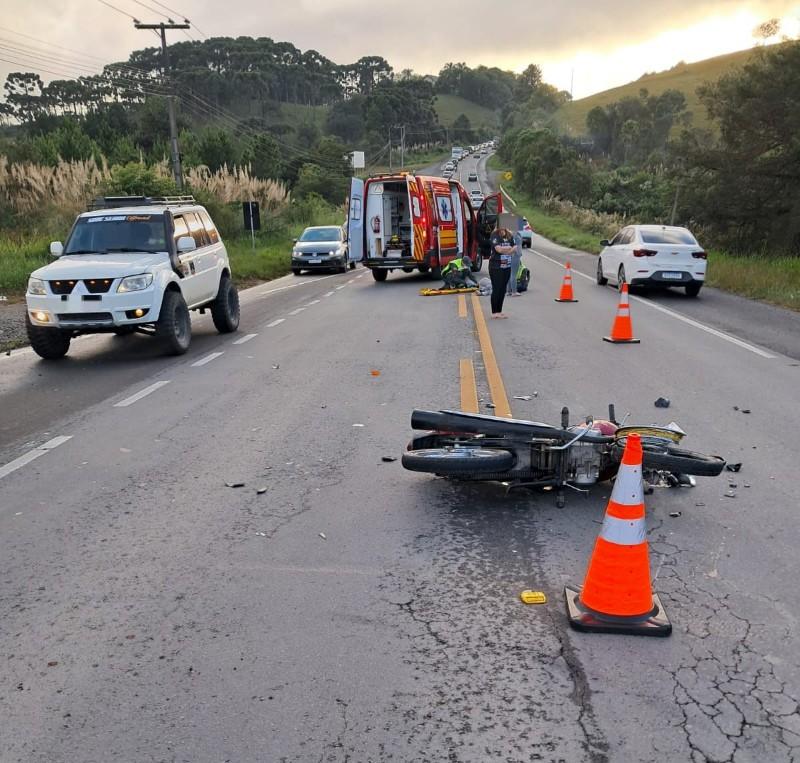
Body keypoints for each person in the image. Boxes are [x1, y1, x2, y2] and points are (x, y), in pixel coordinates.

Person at [488, 227, 515, 318]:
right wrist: (508, 248)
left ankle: (499, 311)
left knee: (503, 289)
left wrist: (507, 250)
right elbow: (498, 249)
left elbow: (515, 247)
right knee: (497, 288)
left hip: (507, 266)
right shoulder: (495, 235)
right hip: (496, 266)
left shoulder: (509, 235)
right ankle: (494, 312)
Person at [507, 229, 523, 297]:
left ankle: (508, 291)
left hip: (508, 256)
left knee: (509, 274)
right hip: (515, 256)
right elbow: (518, 248)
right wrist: (519, 255)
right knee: (513, 274)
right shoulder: (516, 236)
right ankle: (514, 291)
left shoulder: (507, 235)